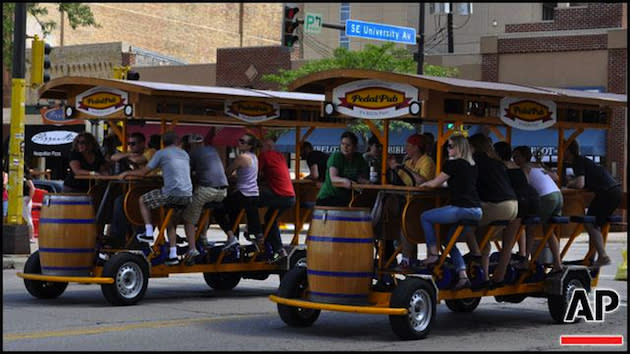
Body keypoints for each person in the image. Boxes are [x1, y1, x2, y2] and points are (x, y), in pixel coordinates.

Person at [418, 134, 482, 290]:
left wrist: (422, 185)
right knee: (448, 241)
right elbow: (459, 183)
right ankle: (462, 275)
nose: (448, 149)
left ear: (459, 147)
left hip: (461, 208)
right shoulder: (472, 165)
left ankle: (432, 253)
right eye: (447, 146)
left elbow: (434, 183)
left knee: (425, 217)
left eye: (450, 146)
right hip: (476, 210)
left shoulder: (453, 164)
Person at [120, 131, 193, 266]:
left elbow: (143, 172)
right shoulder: (184, 154)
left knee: (143, 200)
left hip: (171, 194)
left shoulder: (161, 153)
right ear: (176, 142)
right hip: (187, 195)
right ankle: (173, 255)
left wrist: (127, 173)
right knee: (168, 220)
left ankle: (148, 232)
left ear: (162, 143)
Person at [465, 133, 518, 287]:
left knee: (464, 222)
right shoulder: (496, 162)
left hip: (497, 205)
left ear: (473, 147)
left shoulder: (474, 162)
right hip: (513, 206)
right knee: (484, 235)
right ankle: (484, 276)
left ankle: (474, 256)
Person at [563, 140, 621, 267]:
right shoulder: (583, 161)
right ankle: (592, 257)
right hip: (613, 191)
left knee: (590, 222)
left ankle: (602, 256)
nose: (561, 153)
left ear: (568, 151)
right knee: (593, 223)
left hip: (606, 193)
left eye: (563, 149)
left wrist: (568, 184)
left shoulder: (578, 161)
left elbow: (580, 184)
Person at [382, 133, 436, 269]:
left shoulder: (427, 161)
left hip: (421, 202)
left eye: (408, 146)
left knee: (406, 224)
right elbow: (398, 181)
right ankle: (388, 254)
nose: (405, 148)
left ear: (416, 147)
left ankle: (406, 260)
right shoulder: (407, 162)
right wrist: (392, 168)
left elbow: (422, 182)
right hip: (405, 201)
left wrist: (403, 168)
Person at [492, 141, 540, 284]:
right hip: (533, 199)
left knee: (508, 241)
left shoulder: (500, 167)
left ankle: (499, 276)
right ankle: (523, 257)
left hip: (521, 201)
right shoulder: (516, 166)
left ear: (497, 153)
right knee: (520, 230)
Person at [512, 145, 564, 273]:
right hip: (558, 196)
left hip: (546, 198)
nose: (514, 159)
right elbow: (556, 177)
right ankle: (557, 263)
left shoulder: (525, 168)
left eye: (516, 156)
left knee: (530, 227)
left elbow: (524, 186)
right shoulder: (537, 166)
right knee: (549, 230)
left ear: (524, 157)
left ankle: (525, 261)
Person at [180, 134, 229, 265]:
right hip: (223, 191)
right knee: (203, 208)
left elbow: (186, 174)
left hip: (208, 190)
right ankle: (203, 237)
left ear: (192, 145)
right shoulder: (212, 150)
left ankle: (192, 249)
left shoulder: (193, 154)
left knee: (188, 218)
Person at [215, 133, 263, 251]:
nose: (239, 143)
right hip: (254, 194)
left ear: (249, 146)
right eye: (239, 140)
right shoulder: (254, 157)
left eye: (243, 142)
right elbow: (247, 174)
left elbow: (227, 172)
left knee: (217, 210)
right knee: (233, 213)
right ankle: (239, 239)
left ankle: (232, 237)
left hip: (243, 193)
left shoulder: (242, 157)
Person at [108, 132, 152, 248]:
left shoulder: (150, 152)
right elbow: (113, 157)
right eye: (129, 144)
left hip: (149, 188)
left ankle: (123, 240)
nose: (131, 146)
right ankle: (118, 239)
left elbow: (139, 160)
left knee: (121, 202)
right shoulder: (131, 154)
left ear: (143, 144)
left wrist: (127, 156)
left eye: (133, 144)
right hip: (135, 189)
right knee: (118, 201)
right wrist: (129, 154)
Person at [258, 136, 296, 263]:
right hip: (290, 196)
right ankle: (277, 250)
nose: (260, 150)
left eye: (261, 147)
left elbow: (253, 173)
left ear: (267, 147)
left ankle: (255, 233)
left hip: (280, 195)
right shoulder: (280, 156)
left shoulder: (264, 155)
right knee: (270, 218)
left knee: (249, 200)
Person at [316, 131, 369, 207]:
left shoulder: (359, 158)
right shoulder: (336, 156)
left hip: (346, 197)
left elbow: (358, 177)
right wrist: (345, 181)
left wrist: (366, 182)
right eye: (343, 144)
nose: (345, 147)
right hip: (328, 197)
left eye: (348, 145)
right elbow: (333, 178)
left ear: (355, 147)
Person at [22, 165, 36, 242]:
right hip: (24, 198)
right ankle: (29, 236)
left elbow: (33, 188)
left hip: (25, 198)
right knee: (25, 217)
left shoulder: (26, 178)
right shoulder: (24, 177)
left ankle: (31, 237)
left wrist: (29, 198)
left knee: (27, 217)